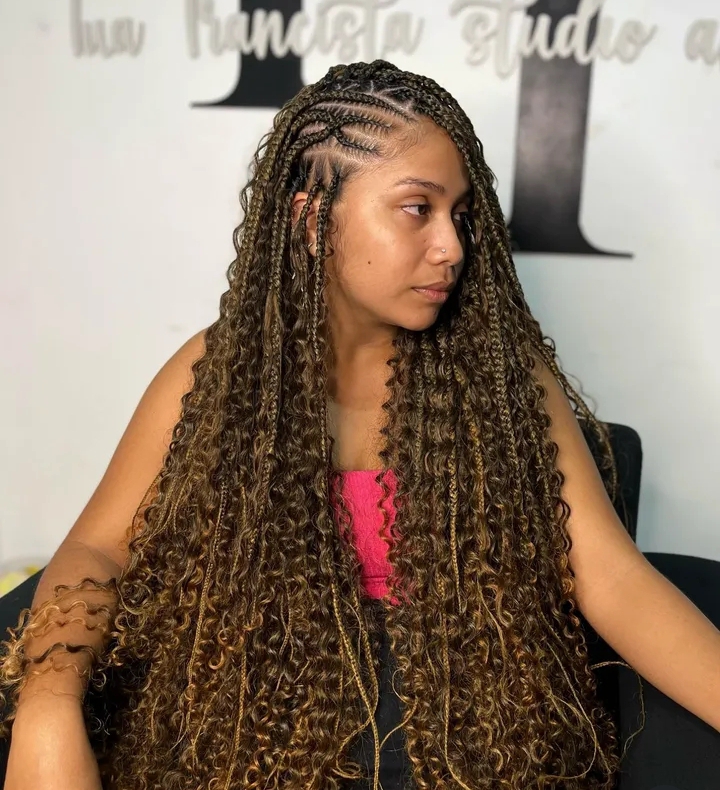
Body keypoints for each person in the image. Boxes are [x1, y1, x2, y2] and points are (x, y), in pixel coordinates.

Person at [2, 59, 720, 790]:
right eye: (418, 209)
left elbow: (612, 580)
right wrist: (49, 702)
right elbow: (97, 547)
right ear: (316, 221)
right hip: (260, 740)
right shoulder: (213, 375)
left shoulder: (503, 376)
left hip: (470, 738)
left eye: (462, 215)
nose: (453, 247)